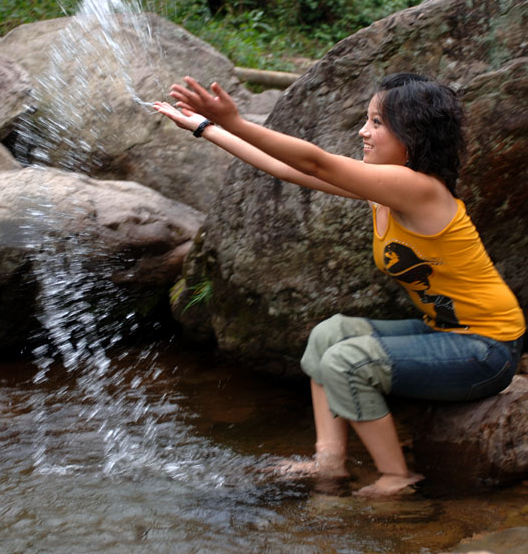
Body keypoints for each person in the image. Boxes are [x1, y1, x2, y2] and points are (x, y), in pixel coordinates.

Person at [154, 72, 525, 497]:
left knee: (346, 360)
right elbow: (286, 169)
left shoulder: (418, 188)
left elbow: (315, 160)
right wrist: (206, 128)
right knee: (329, 335)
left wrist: (236, 121)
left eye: (377, 123)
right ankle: (328, 462)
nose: (363, 131)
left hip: (488, 349)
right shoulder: (384, 189)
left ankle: (396, 477)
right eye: (367, 119)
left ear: (414, 134)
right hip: (449, 333)